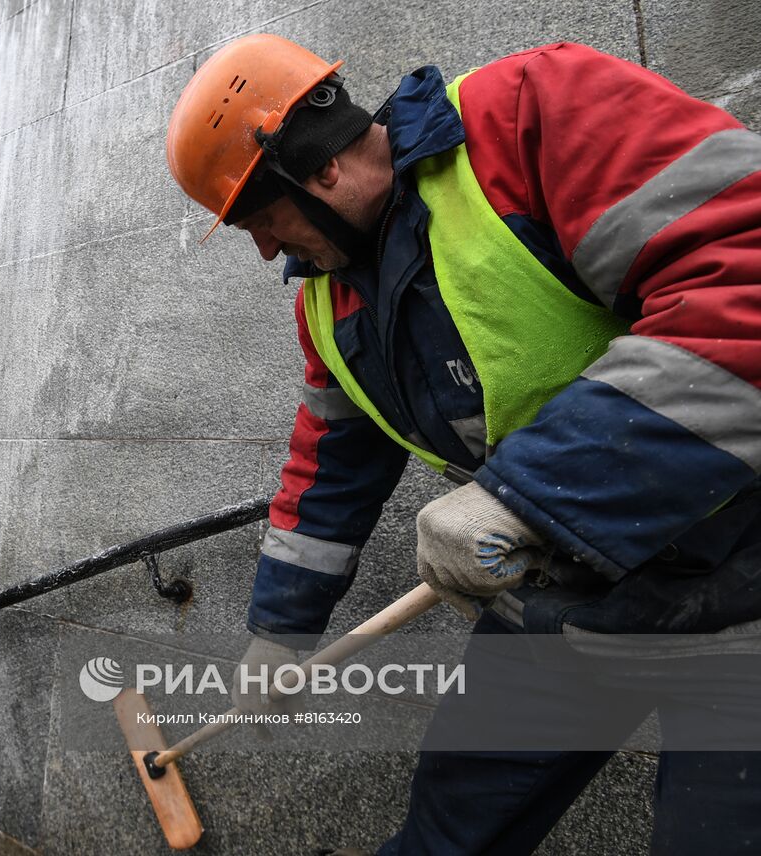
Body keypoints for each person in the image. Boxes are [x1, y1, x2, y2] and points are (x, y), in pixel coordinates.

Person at [166, 35, 761, 853]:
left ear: (319, 169)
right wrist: (277, 632)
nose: (267, 250)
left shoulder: (529, 115)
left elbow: (745, 284)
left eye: (260, 219)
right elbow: (329, 467)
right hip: (571, 588)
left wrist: (525, 495)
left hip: (743, 569)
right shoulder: (329, 306)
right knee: (448, 831)